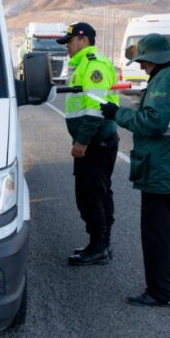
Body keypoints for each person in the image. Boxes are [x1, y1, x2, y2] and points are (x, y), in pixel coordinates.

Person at [99, 33, 170, 307]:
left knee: (158, 235)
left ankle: (160, 292)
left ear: (155, 59)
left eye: (144, 61)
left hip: (163, 169)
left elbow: (153, 122)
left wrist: (116, 113)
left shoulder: (167, 78)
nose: (142, 66)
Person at [57, 22, 120, 266]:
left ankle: (99, 247)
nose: (68, 48)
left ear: (83, 40)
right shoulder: (82, 65)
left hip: (96, 140)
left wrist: (82, 141)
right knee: (97, 192)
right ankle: (100, 244)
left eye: (70, 42)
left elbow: (95, 107)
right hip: (94, 140)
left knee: (91, 194)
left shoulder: (94, 65)